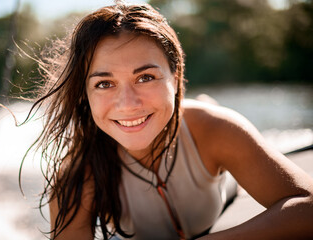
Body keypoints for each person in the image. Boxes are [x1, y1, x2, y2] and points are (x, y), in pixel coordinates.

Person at [21, 1, 313, 239]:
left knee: (203, 113)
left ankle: (198, 103)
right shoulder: (78, 176)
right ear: (84, 94)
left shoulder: (216, 129)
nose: (128, 104)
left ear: (175, 77)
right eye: (104, 83)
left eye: (145, 77)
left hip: (220, 184)